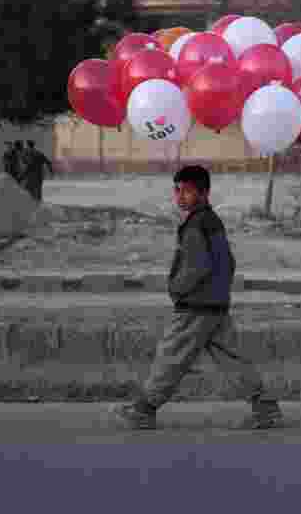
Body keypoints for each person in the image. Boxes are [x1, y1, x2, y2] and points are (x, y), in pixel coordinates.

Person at [110, 164, 285, 430]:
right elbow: (228, 262)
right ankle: (265, 407)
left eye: (188, 192)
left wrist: (177, 289)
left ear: (204, 193)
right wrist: (220, 291)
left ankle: (145, 408)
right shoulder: (213, 221)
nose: (180, 196)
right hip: (215, 305)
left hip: (195, 306)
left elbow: (197, 265)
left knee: (171, 355)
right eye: (177, 190)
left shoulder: (196, 224)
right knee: (232, 358)